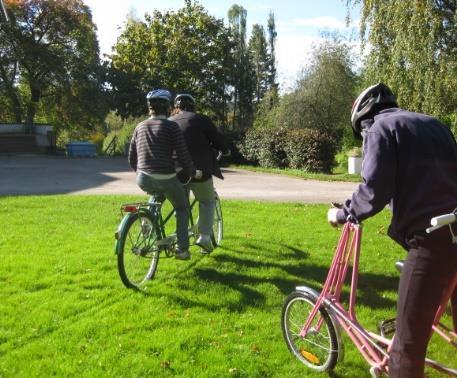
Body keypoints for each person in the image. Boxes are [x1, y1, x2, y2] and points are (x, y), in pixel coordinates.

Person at [327, 83, 457, 378]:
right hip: (454, 229)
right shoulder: (434, 124)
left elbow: (374, 191)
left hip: (432, 239)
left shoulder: (379, 130)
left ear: (362, 121)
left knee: (407, 348)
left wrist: (342, 213)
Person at [128, 89, 195, 260]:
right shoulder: (171, 127)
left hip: (143, 177)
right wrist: (192, 171)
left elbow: (131, 157)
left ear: (150, 107)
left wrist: (141, 172)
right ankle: (182, 249)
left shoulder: (140, 126)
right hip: (166, 177)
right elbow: (183, 155)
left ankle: (146, 223)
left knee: (156, 194)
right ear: (167, 107)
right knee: (182, 208)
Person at [169, 93, 230, 253]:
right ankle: (204, 236)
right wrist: (225, 150)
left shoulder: (169, 122)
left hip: (175, 171)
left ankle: (180, 240)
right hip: (199, 170)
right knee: (207, 201)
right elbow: (217, 139)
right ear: (193, 106)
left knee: (181, 207)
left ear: (176, 107)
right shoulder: (201, 119)